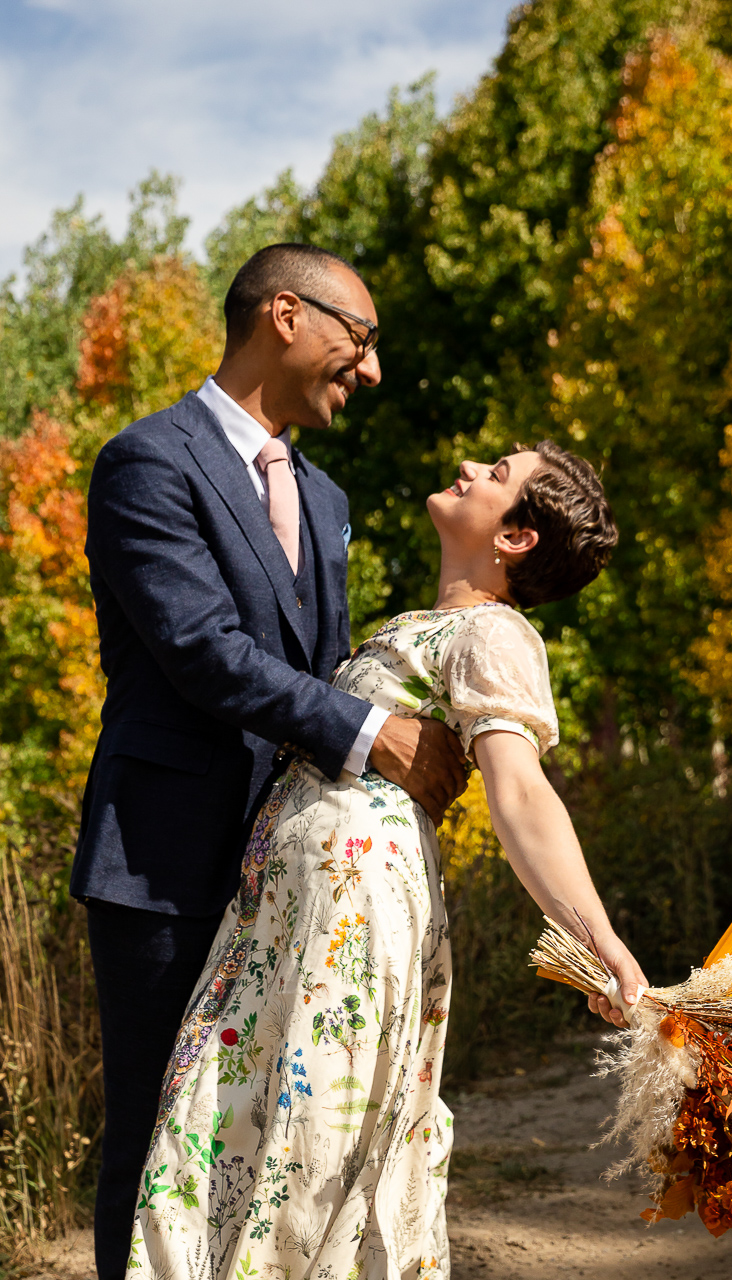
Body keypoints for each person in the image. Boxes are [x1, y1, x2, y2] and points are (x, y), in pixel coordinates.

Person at [129, 440, 647, 1279]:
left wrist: (596, 938)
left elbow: (519, 794)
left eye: (499, 473)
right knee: (235, 1130)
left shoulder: (494, 632)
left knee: (311, 1140)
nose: (473, 468)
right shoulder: (429, 625)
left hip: (351, 914)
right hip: (289, 912)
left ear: (516, 536)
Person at [70, 244, 469, 1280]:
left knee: (265, 1145)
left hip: (295, 878)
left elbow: (322, 665)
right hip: (161, 866)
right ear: (286, 314)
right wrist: (370, 733)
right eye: (362, 339)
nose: (370, 370)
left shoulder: (327, 499)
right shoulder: (146, 461)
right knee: (159, 1140)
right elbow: (201, 648)